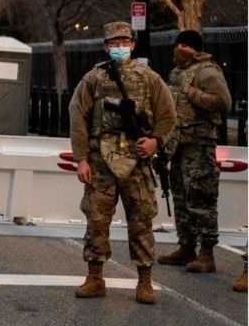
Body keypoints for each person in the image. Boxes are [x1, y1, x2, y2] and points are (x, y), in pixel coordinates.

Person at [68, 21, 176, 304]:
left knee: (141, 221)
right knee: (96, 220)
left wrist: (155, 141)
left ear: (132, 44)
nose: (119, 47)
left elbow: (168, 115)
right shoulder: (94, 79)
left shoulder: (150, 79)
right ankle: (95, 277)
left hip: (137, 162)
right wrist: (81, 159)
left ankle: (144, 280)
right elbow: (77, 117)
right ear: (105, 46)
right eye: (113, 43)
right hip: (101, 162)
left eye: (123, 42)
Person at [157, 29, 231, 273]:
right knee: (180, 198)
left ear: (195, 49)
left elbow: (223, 103)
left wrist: (193, 93)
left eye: (185, 46)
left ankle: (206, 253)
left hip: (199, 145)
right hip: (178, 144)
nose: (179, 49)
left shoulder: (208, 72)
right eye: (177, 44)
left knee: (201, 199)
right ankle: (186, 246)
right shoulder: (176, 73)